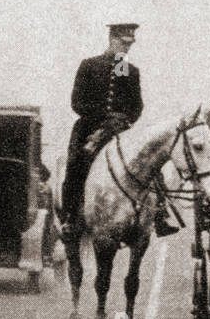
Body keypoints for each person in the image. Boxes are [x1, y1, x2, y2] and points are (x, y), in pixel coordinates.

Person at [63, 21, 179, 238]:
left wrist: (124, 120)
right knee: (75, 166)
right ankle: (70, 218)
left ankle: (159, 215)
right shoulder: (89, 65)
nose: (127, 48)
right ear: (112, 39)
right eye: (123, 43)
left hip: (120, 131)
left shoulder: (126, 69)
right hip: (90, 129)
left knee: (149, 163)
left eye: (129, 44)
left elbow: (136, 106)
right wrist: (105, 118)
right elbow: (77, 103)